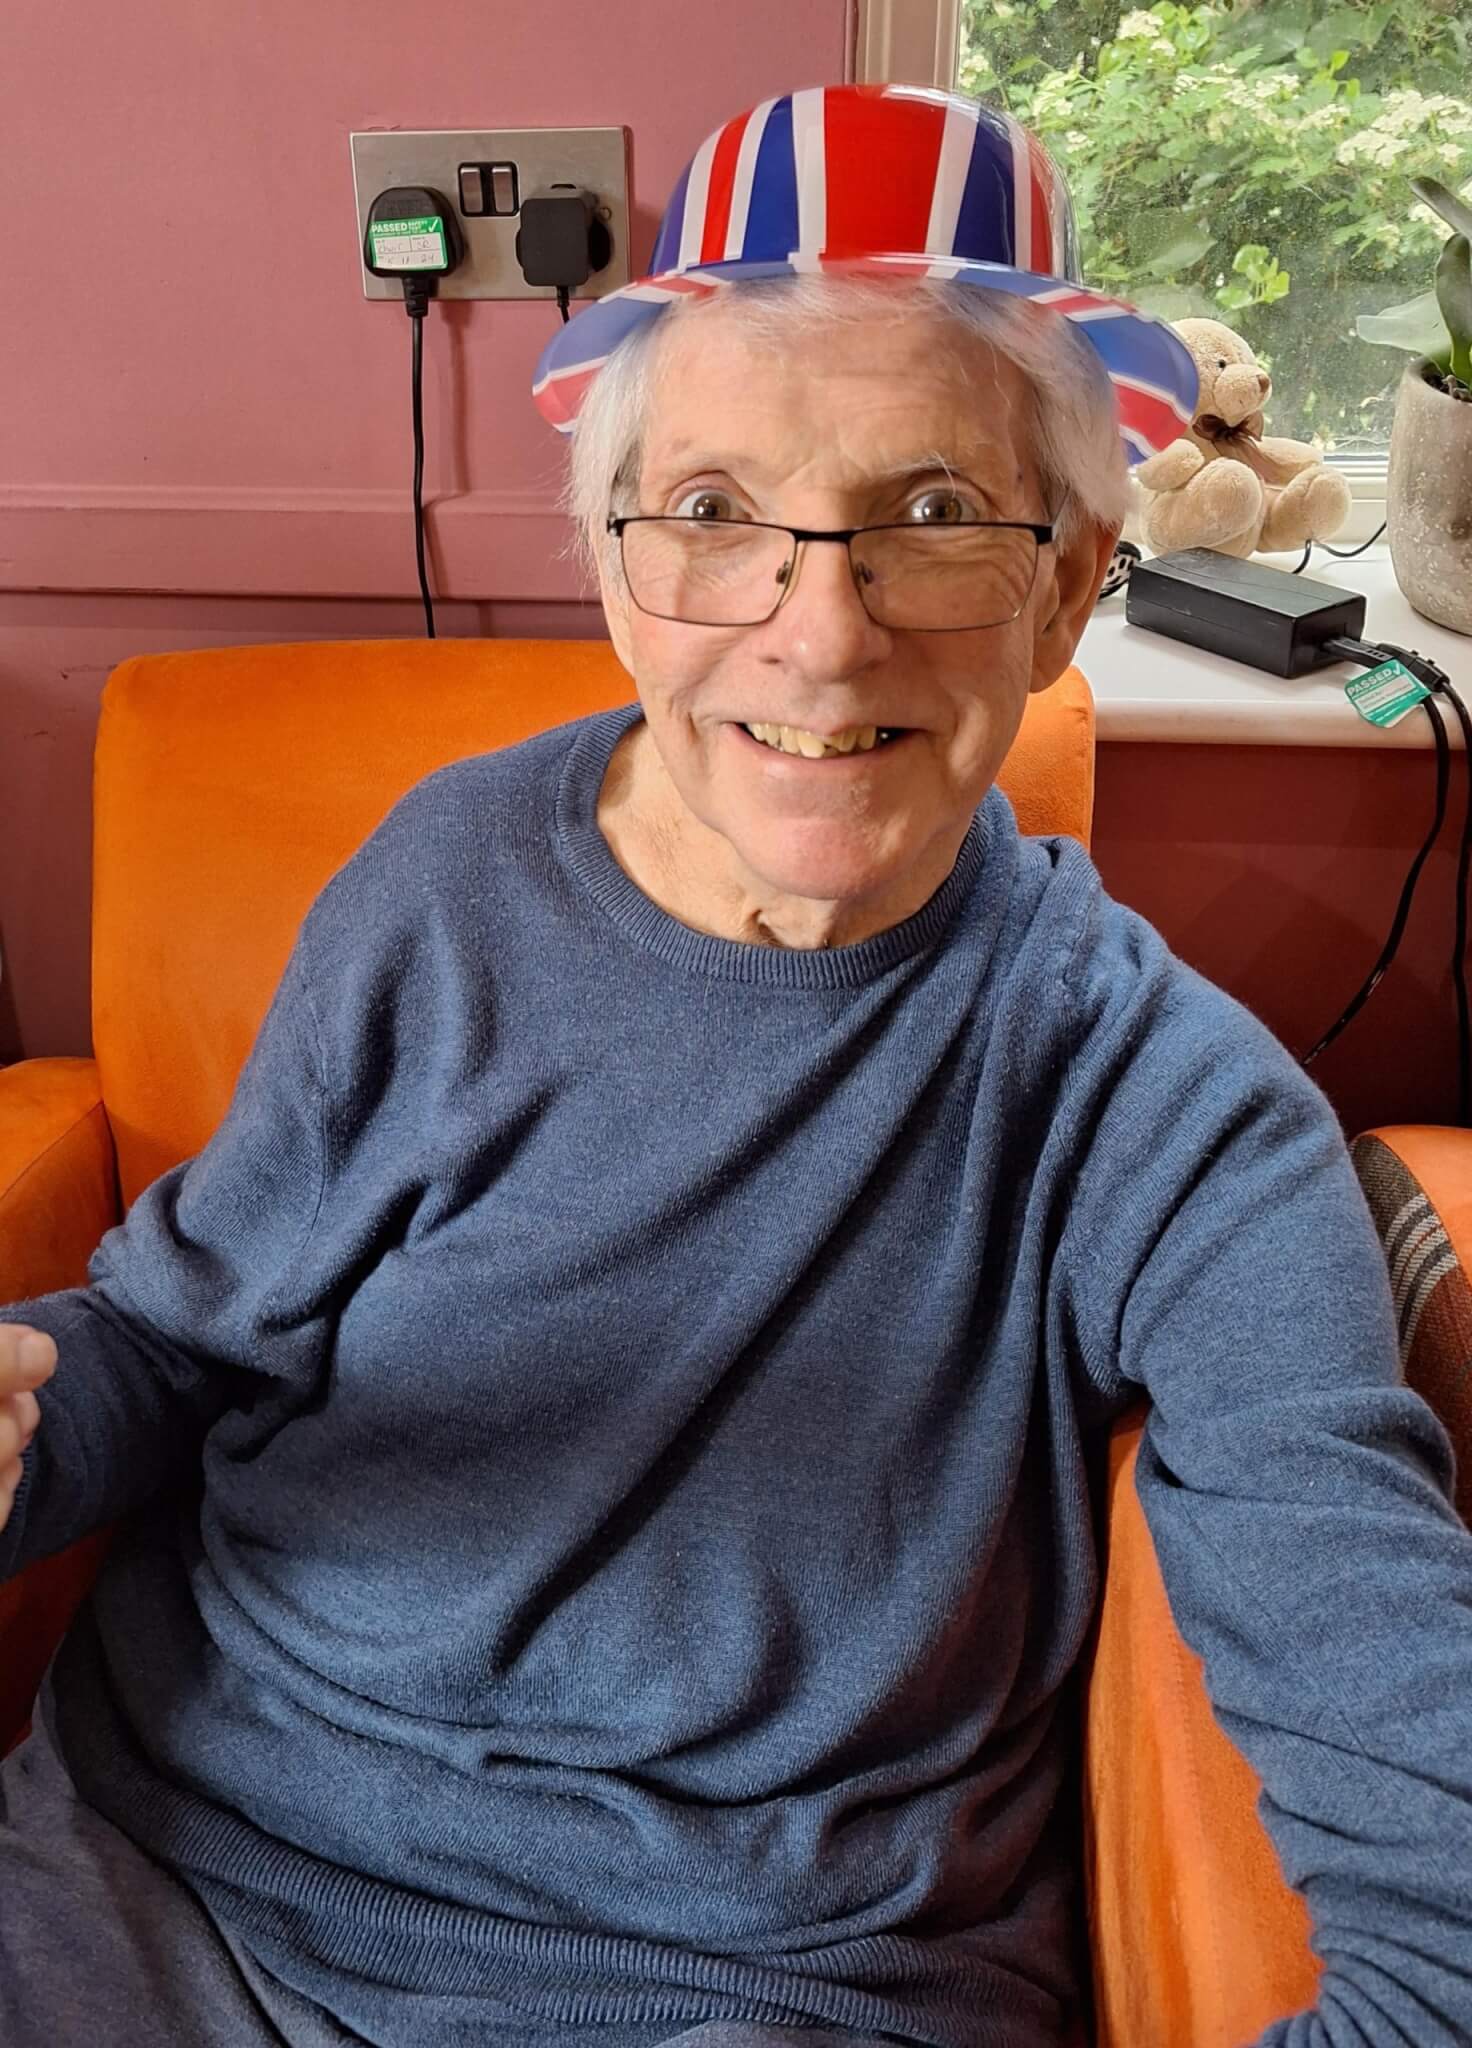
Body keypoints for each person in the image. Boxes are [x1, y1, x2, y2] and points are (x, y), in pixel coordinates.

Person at [1, 80, 1469, 2048]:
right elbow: (180, 1341)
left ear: (1065, 589)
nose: (819, 635)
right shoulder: (443, 879)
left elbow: (1410, 1796)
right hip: (155, 1864)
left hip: (741, 1984)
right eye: (712, 515)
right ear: (618, 574)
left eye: (933, 518)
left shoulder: (1164, 1107)